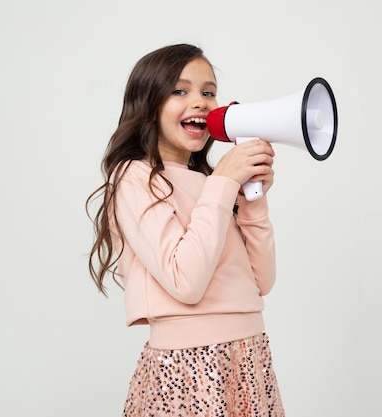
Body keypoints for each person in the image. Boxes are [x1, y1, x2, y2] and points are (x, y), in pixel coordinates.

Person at [86, 43, 285, 416]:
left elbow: (262, 282)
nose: (201, 102)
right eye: (180, 90)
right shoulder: (134, 177)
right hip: (188, 366)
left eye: (208, 92)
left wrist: (252, 201)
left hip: (249, 354)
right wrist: (225, 182)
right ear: (149, 103)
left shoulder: (211, 185)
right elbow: (186, 281)